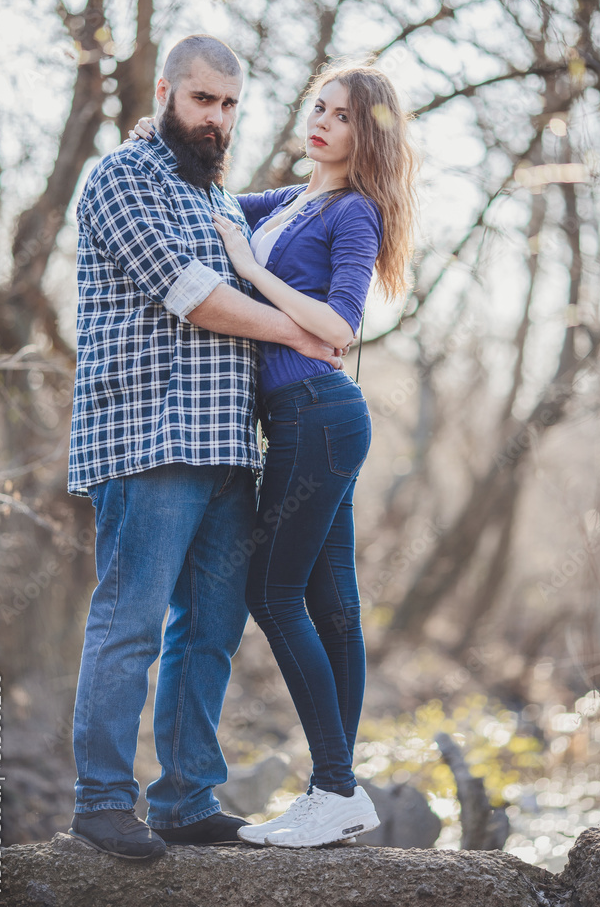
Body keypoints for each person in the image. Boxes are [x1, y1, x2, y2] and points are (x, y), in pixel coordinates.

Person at [67, 33, 344, 861]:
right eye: (202, 100)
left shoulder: (220, 197)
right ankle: (101, 800)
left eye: (228, 105)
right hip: (147, 440)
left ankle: (185, 799)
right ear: (164, 92)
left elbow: (308, 218)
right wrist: (304, 329)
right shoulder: (123, 177)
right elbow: (195, 296)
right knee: (130, 625)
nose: (216, 118)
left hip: (229, 445)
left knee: (211, 630)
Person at [134, 60, 415, 847]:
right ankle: (339, 789)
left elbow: (339, 326)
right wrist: (154, 139)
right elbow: (210, 200)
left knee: (271, 592)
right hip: (303, 420)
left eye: (342, 116)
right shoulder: (292, 199)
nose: (320, 122)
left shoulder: (354, 212)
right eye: (316, 107)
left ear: (367, 136)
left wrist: (253, 270)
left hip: (315, 417)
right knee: (333, 608)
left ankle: (332, 785)